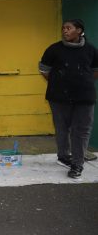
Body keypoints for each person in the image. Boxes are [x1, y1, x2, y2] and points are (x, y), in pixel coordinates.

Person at [39, 19, 98, 179]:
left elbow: (95, 70)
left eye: (69, 28)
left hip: (84, 97)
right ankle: (64, 156)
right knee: (62, 128)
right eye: (63, 28)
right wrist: (59, 83)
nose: (65, 31)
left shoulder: (91, 49)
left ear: (79, 31)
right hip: (58, 97)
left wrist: (82, 82)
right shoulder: (54, 49)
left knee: (81, 131)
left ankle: (77, 165)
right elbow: (44, 69)